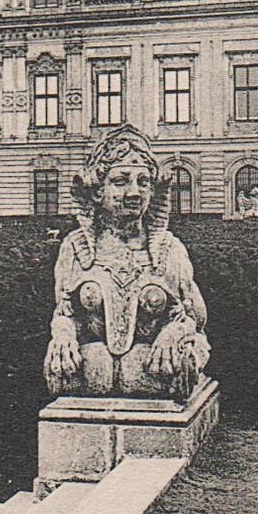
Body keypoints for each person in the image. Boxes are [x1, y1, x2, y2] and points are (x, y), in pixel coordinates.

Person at [44, 125, 210, 400]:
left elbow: (194, 321)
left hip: (153, 361)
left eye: (143, 182)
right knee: (89, 370)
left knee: (140, 371)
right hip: (95, 357)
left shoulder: (170, 249)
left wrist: (173, 335)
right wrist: (63, 337)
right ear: (98, 191)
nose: (135, 193)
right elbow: (65, 313)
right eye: (121, 181)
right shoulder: (75, 247)